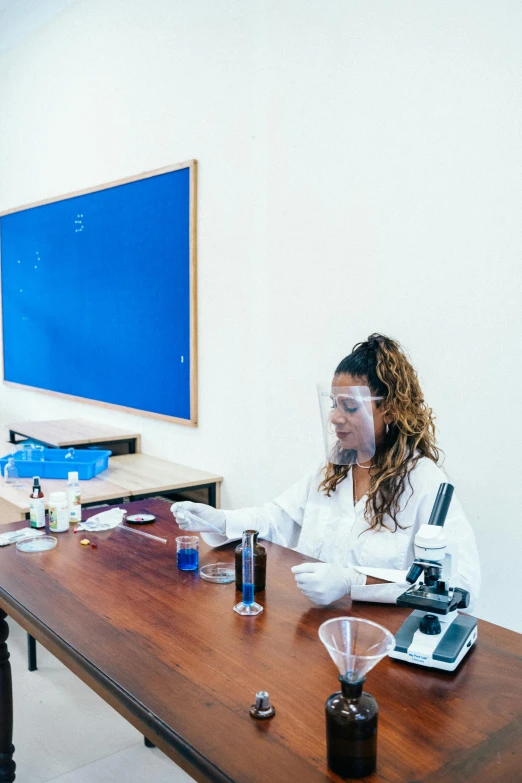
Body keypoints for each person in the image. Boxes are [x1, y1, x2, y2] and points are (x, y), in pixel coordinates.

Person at [171, 334, 480, 610]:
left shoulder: (425, 482)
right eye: (334, 404)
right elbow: (278, 518)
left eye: (349, 407)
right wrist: (220, 520)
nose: (335, 417)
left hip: (385, 639)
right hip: (316, 628)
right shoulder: (334, 469)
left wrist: (353, 581)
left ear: (390, 409)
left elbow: (457, 584)